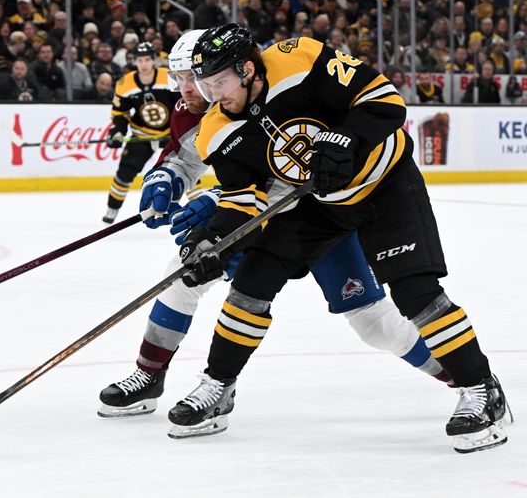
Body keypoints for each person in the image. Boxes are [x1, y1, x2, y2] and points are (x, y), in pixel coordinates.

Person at [166, 24, 509, 453]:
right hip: (316, 203)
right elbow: (242, 200)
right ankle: (217, 387)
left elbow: (385, 101)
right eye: (204, 85)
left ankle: (481, 389)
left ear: (248, 69)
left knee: (415, 291)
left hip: (384, 181)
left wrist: (347, 137)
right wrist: (211, 240)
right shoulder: (217, 128)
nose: (213, 95)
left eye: (220, 82)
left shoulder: (300, 58)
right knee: (250, 283)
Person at [98, 30, 450, 421]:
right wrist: (165, 179)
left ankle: (457, 374)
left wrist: (214, 200)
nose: (188, 87)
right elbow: (185, 161)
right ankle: (154, 376)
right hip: (252, 220)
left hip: (317, 215)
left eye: (192, 77)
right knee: (185, 278)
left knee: (371, 322)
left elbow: (292, 168)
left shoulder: (262, 93)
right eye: (179, 77)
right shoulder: (192, 112)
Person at [101, 42, 178, 224]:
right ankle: (112, 209)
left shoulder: (168, 77)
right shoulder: (124, 83)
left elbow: (181, 106)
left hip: (168, 135)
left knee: (185, 170)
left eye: (147, 60)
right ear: (134, 61)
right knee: (124, 174)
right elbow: (120, 114)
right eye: (139, 60)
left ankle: (196, 209)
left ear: (153, 60)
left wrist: (180, 129)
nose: (143, 64)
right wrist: (117, 131)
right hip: (141, 135)